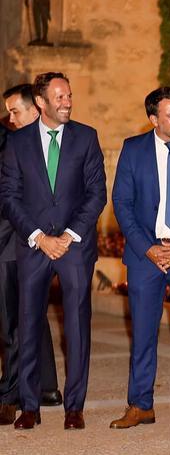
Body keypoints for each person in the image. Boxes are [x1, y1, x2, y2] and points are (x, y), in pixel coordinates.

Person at [0, 72, 107, 430]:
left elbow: (97, 193)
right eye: (59, 97)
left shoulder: (86, 137)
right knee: (28, 325)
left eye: (69, 96)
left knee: (77, 326)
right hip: (32, 247)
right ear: (41, 102)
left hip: (75, 247)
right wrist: (38, 236)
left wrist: (70, 235)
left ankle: (74, 406)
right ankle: (29, 405)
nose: (67, 102)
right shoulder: (17, 144)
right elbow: (9, 196)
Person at [109, 87, 170, 431]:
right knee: (143, 333)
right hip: (145, 255)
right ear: (153, 119)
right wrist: (148, 248)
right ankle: (140, 405)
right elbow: (122, 203)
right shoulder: (134, 149)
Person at [0, 85, 64, 426]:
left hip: (16, 242)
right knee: (29, 314)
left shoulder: (15, 140)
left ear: (35, 109)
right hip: (24, 241)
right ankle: (46, 387)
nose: (11, 118)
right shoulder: (18, 138)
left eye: (15, 112)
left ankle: (12, 394)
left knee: (15, 321)